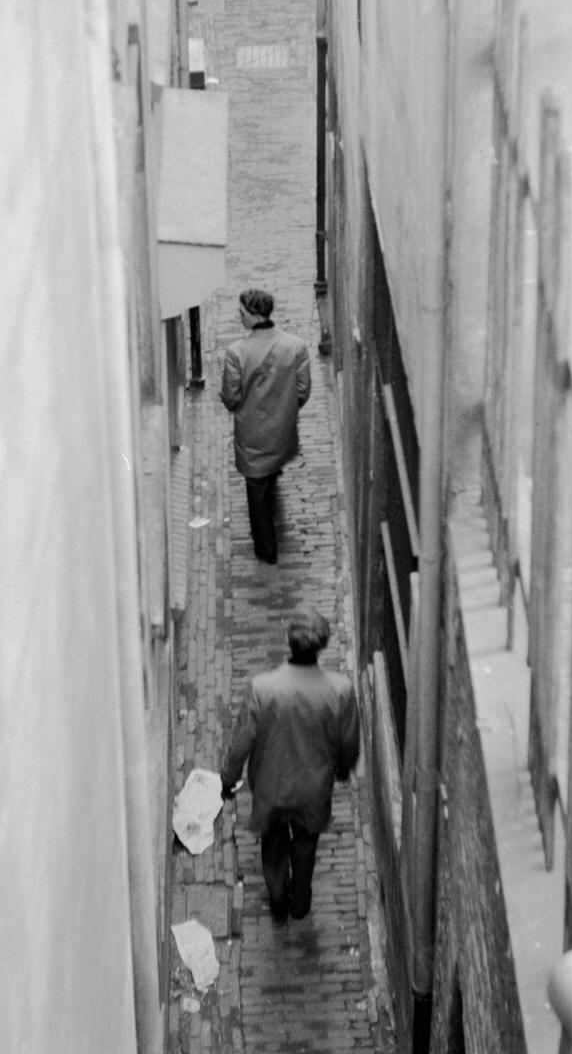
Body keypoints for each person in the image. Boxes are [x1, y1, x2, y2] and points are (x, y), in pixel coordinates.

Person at [221, 607, 361, 922]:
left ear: (289, 640)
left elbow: (241, 741)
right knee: (306, 843)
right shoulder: (340, 691)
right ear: (321, 646)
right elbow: (349, 743)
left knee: (273, 844)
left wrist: (227, 779)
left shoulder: (262, 689)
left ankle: (278, 896)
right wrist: (341, 769)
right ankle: (300, 900)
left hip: (271, 787)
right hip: (313, 789)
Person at [220, 288, 310, 565]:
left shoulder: (237, 353)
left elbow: (231, 397)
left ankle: (266, 549)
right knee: (269, 476)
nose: (240, 318)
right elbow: (303, 390)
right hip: (282, 432)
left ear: (255, 316)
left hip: (252, 437)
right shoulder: (295, 346)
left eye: (242, 313)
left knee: (256, 493)